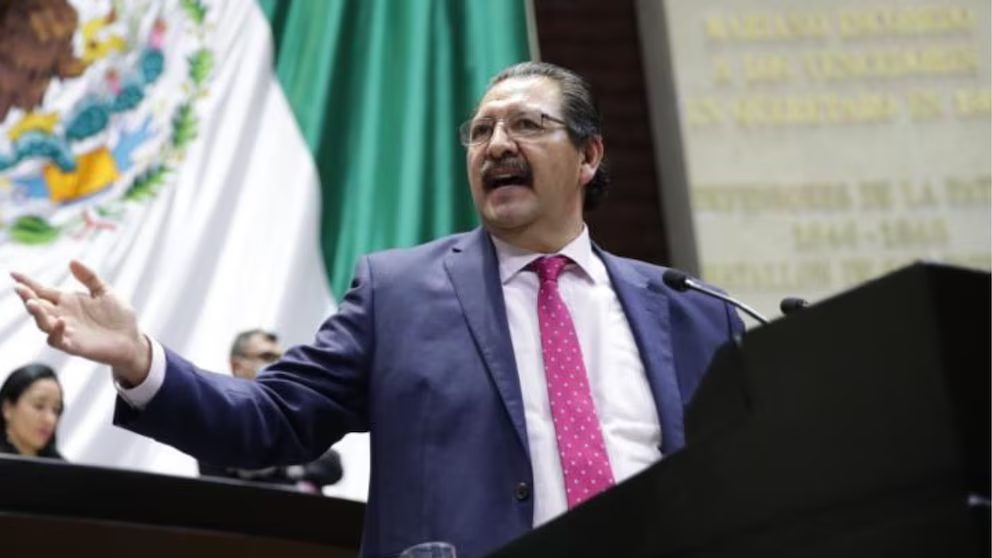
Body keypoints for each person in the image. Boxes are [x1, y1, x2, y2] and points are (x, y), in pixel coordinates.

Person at [13, 62, 744, 557]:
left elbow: (741, 486)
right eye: (481, 131)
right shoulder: (400, 294)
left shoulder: (691, 312)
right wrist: (141, 360)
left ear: (588, 157)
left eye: (527, 125)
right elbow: (269, 418)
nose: (496, 144)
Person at [198, 329, 343, 491]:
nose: (276, 364)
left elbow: (331, 465)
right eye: (266, 357)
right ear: (237, 366)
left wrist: (281, 468)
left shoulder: (292, 407)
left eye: (279, 359)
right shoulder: (217, 415)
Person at [1, 363, 65, 459]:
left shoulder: (61, 465)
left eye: (56, 410)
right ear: (7, 408)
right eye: (39, 406)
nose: (50, 419)